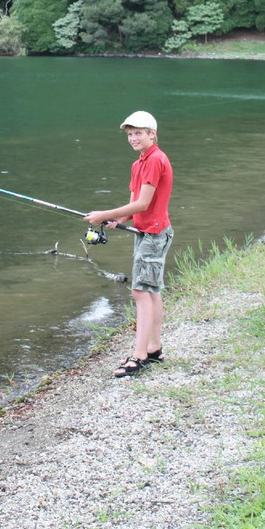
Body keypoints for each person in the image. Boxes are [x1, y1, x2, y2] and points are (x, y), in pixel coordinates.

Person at [83, 111, 174, 378]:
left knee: (140, 292)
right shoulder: (138, 164)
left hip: (154, 235)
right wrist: (119, 219)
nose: (133, 138)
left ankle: (140, 355)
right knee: (151, 291)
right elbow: (135, 203)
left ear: (152, 134)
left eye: (138, 133)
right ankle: (154, 349)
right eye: (130, 134)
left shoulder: (156, 159)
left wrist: (104, 214)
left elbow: (144, 204)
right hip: (144, 233)